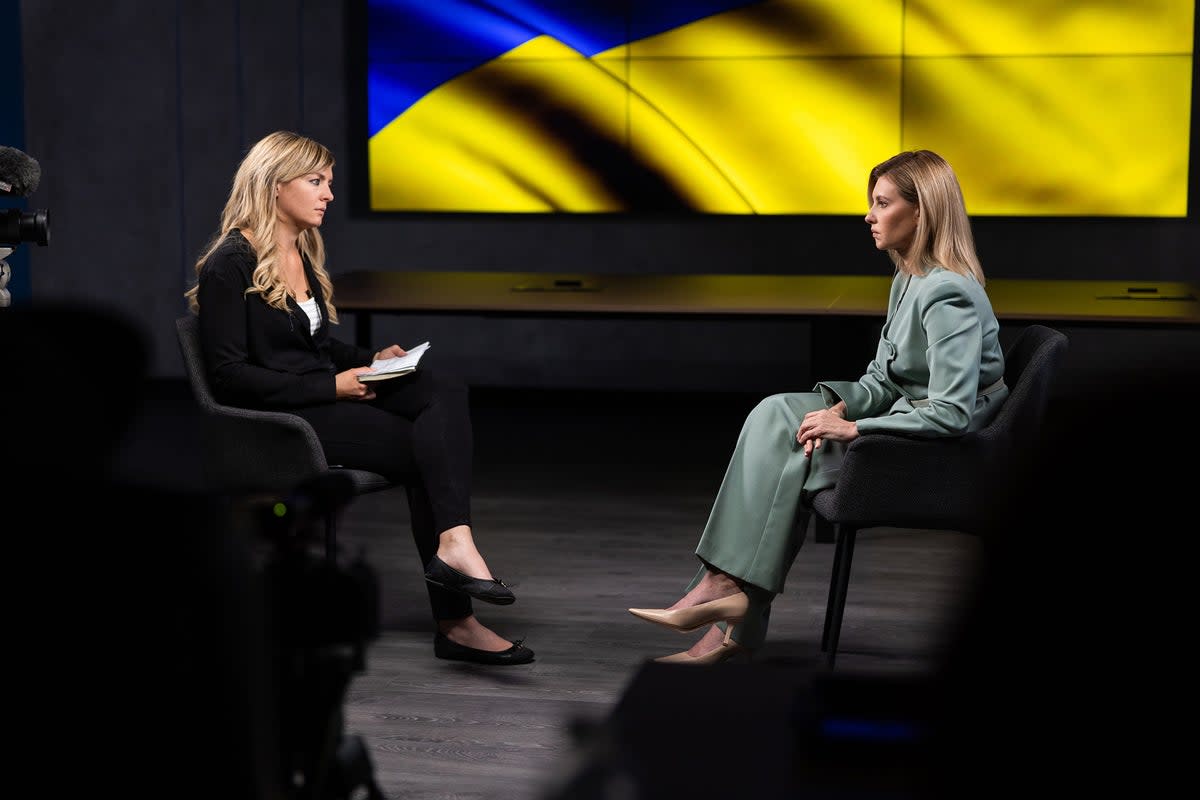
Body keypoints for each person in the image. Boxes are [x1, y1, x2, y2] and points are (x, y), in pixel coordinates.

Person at [628, 150, 1007, 664]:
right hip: (901, 421)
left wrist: (852, 428)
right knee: (774, 413)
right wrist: (837, 406)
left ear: (922, 211)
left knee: (795, 452)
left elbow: (951, 412)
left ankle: (729, 613)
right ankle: (724, 594)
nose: (869, 216)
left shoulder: (948, 294)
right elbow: (883, 378)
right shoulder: (909, 279)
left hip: (936, 454)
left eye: (882, 203)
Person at [185, 130, 533, 666]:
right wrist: (334, 385)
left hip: (325, 393)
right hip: (284, 417)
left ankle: (455, 546)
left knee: (443, 386)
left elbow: (313, 345)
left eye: (329, 183)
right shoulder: (229, 264)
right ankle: (457, 620)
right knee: (425, 452)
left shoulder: (298, 249)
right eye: (315, 181)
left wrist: (369, 361)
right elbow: (229, 377)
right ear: (276, 185)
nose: (327, 194)